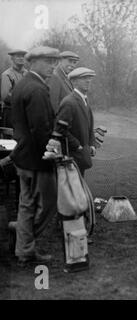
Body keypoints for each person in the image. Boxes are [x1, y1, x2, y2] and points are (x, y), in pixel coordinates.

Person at [9, 46, 60, 267]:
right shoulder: (38, 89)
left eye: (54, 61)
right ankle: (24, 238)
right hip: (38, 160)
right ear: (34, 62)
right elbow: (41, 130)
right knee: (49, 204)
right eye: (48, 61)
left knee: (27, 205)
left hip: (22, 157)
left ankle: (23, 250)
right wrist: (52, 154)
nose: (53, 66)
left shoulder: (22, 84)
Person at [55, 67, 97, 177]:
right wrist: (77, 146)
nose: (88, 81)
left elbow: (89, 125)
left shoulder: (84, 100)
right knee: (72, 189)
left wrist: (92, 144)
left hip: (82, 155)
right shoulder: (69, 102)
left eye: (89, 78)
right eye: (84, 78)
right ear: (73, 81)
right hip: (72, 155)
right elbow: (60, 129)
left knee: (79, 187)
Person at [0, 50, 28, 128]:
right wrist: (24, 98)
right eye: (18, 56)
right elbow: (5, 97)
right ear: (12, 58)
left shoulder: (27, 73)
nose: (21, 58)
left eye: (22, 56)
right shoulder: (7, 75)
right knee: (11, 138)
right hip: (11, 112)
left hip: (25, 112)